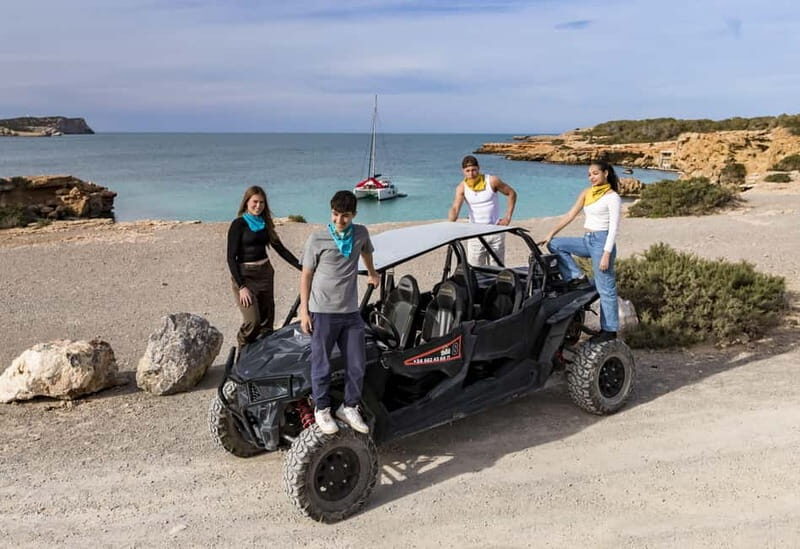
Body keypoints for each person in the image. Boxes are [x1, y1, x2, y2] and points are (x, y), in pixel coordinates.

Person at [299, 190, 380, 435]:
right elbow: (306, 276)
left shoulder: (361, 234)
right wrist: (304, 311)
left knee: (357, 363)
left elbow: (366, 251)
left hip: (350, 313)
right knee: (321, 364)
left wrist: (372, 272)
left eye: (345, 216)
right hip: (322, 312)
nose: (339, 221)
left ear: (353, 215)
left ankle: (349, 406)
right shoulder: (317, 239)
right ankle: (322, 409)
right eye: (335, 215)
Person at [539, 159, 622, 343]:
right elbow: (569, 215)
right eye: (589, 174)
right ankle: (576, 277)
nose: (592, 177)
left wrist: (606, 253)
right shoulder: (587, 193)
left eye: (595, 173)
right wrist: (551, 233)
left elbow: (614, 228)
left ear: (605, 173)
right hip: (587, 240)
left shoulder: (612, 197)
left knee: (605, 287)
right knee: (556, 245)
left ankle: (609, 330)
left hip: (602, 242)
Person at [227, 185, 301, 348]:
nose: (258, 206)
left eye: (261, 202)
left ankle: (261, 357)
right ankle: (243, 348)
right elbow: (231, 257)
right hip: (245, 277)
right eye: (255, 202)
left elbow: (281, 249)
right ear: (246, 202)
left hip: (265, 274)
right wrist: (241, 286)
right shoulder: (238, 224)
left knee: (267, 322)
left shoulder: (265, 224)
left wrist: (303, 267)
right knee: (253, 321)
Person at [448, 155, 517, 266]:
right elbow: (455, 208)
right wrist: (450, 223)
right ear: (463, 171)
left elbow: (511, 193)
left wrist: (507, 217)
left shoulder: (492, 181)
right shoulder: (461, 187)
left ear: (478, 168)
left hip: (495, 231)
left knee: (497, 269)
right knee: (475, 270)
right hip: (475, 234)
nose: (471, 174)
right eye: (468, 171)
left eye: (474, 170)